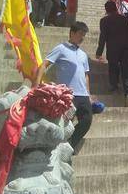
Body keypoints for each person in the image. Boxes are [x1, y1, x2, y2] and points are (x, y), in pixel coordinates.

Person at [35, 21, 92, 152]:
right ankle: (56, 148)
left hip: (83, 95)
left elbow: (86, 75)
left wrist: (89, 94)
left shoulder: (83, 54)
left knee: (87, 120)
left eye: (84, 35)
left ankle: (70, 144)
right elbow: (44, 64)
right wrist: (37, 85)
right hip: (67, 94)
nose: (82, 37)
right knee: (65, 122)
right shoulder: (61, 48)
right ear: (72, 33)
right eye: (80, 34)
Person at [96, 0, 128, 106]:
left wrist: (99, 52)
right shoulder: (125, 19)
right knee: (127, 70)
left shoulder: (104, 21)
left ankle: (114, 86)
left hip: (113, 48)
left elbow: (103, 37)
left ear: (106, 10)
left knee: (113, 67)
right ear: (116, 8)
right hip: (126, 48)